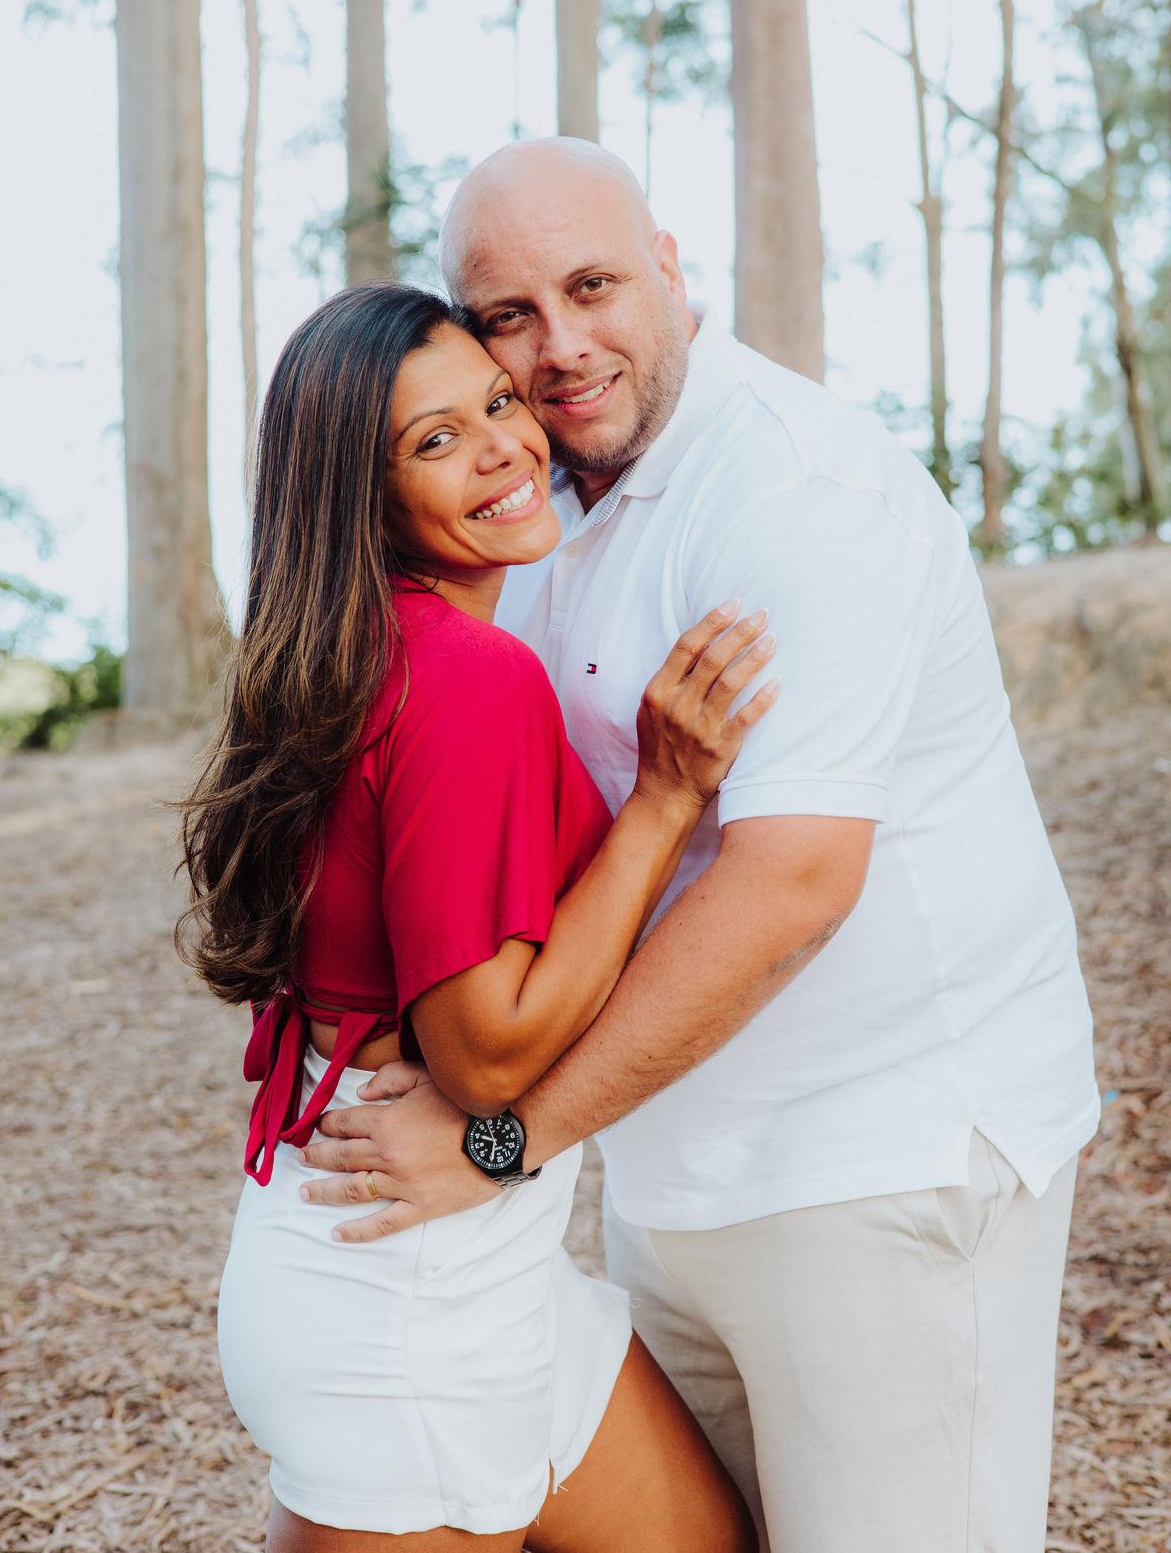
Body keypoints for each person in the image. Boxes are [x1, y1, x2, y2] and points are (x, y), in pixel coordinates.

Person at [298, 140, 1101, 1553]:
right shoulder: (538, 517)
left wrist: (502, 1139)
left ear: (672, 270)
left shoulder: (798, 494)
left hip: (882, 1160)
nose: (561, 347)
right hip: (674, 1166)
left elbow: (792, 884)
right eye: (508, 316)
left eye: (594, 285)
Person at [177, 282, 776, 1552]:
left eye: (498, 403)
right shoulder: (466, 677)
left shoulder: (356, 658)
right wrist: (667, 799)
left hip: (453, 1262)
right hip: (403, 1296)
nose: (506, 444)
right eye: (434, 439)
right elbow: (485, 1055)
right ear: (367, 494)